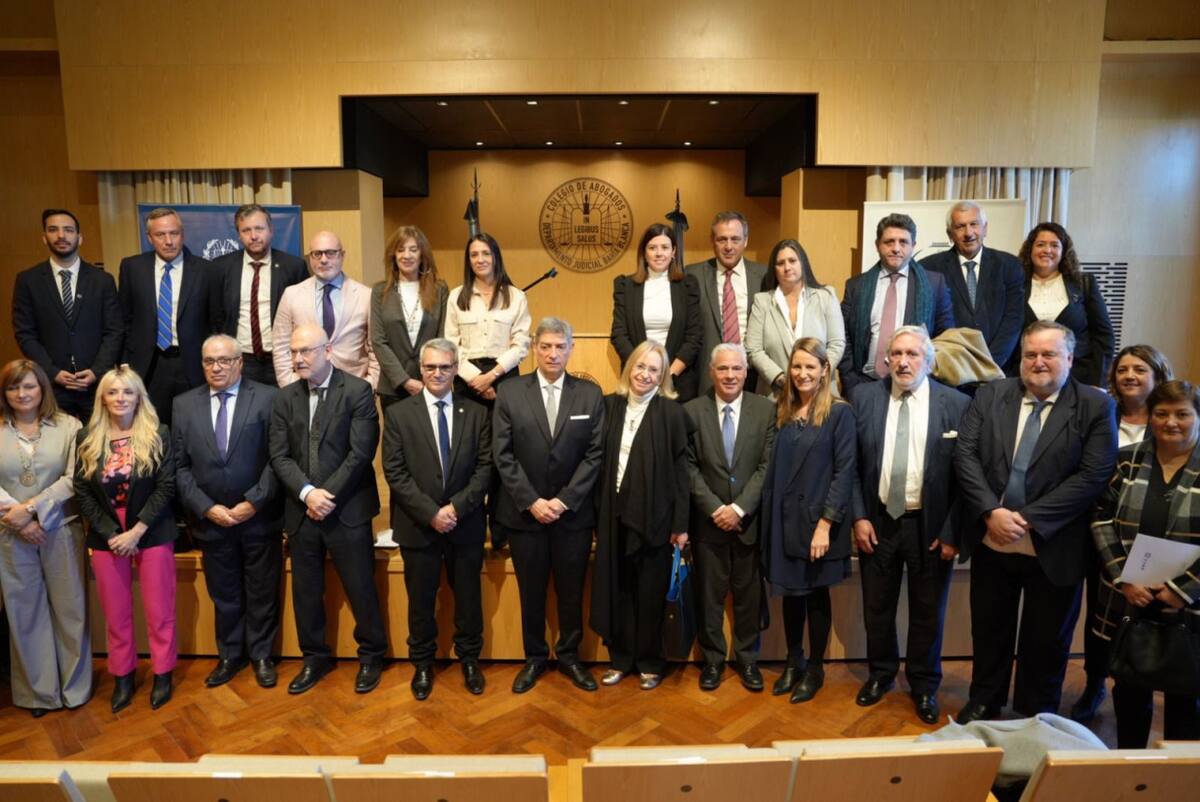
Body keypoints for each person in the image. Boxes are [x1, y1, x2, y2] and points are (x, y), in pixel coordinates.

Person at [954, 320, 1117, 722]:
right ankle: (985, 701)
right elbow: (965, 457)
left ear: (1069, 357)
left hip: (1054, 544)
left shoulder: (1095, 405)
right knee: (990, 631)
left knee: (1046, 640)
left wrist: (1025, 519)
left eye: (1048, 354)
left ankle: (1035, 713)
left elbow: (1093, 475)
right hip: (993, 538)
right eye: (1031, 354)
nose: (1038, 362)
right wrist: (992, 512)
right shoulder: (991, 394)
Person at [849, 326, 970, 724]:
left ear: (929, 361)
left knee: (927, 611)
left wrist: (953, 531)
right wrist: (859, 515)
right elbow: (849, 465)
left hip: (930, 526)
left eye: (912, 354)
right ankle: (881, 674)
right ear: (886, 360)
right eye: (896, 354)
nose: (902, 361)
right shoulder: (864, 397)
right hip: (879, 521)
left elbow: (966, 475)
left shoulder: (956, 404)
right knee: (876, 608)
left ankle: (923, 684)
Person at [269, 324, 386, 695]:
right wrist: (307, 494)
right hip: (302, 512)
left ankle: (371, 656)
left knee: (361, 588)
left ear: (329, 350)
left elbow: (361, 453)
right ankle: (314, 658)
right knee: (306, 592)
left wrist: (325, 495)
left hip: (347, 509)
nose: (299, 358)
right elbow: (279, 455)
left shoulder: (358, 391)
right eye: (294, 352)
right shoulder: (284, 398)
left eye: (306, 351)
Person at [493, 317, 605, 693]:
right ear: (535, 349)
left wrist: (563, 501)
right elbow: (502, 455)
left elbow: (595, 455)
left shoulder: (589, 395)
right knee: (532, 591)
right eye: (546, 346)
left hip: (572, 516)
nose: (553, 353)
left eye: (560, 346)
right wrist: (532, 501)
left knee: (572, 591)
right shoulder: (510, 392)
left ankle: (570, 657)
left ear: (571, 349)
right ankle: (534, 658)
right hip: (526, 516)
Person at [1091, 379, 1200, 747]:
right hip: (1131, 597)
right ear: (1150, 416)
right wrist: (1123, 576)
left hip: (1190, 605)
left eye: (1183, 414)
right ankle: (1131, 766)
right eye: (1162, 413)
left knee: (1188, 699)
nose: (1171, 422)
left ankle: (1180, 777)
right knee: (1129, 690)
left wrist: (1182, 590)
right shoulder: (1128, 458)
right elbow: (1101, 518)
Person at [382, 338, 491, 700]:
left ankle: (470, 660)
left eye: (445, 367)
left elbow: (485, 468)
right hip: (419, 527)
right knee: (421, 601)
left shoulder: (476, 413)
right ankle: (423, 664)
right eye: (430, 367)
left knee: (469, 600)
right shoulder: (399, 414)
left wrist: (456, 508)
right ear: (421, 370)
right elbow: (394, 472)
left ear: (456, 368)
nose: (438, 373)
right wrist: (431, 513)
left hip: (466, 523)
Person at [171, 335, 282, 689]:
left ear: (239, 362)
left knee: (262, 590)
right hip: (212, 520)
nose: (216, 367)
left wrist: (255, 501)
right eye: (209, 361)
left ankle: (262, 655)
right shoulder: (183, 405)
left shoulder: (268, 397)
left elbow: (278, 458)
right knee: (225, 593)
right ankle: (230, 655)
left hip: (258, 516)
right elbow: (179, 467)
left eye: (223, 360)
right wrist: (207, 508)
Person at [1071, 343, 1174, 723]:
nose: (1129, 376)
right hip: (1098, 532)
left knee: (1149, 612)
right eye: (1123, 369)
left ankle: (1153, 680)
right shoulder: (1101, 413)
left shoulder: (1169, 419)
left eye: (1140, 369)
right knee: (1100, 615)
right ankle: (1095, 683)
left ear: (1158, 375)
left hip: (1150, 541)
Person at [74, 365, 178, 712]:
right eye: (113, 392)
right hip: (108, 538)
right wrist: (111, 533)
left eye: (128, 392)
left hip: (150, 533)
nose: (120, 398)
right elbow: (82, 491)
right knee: (116, 614)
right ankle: (123, 676)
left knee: (159, 611)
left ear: (139, 397)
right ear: (102, 398)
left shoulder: (159, 432)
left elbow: (166, 487)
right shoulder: (87, 438)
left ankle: (163, 673)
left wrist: (136, 531)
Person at [591, 340, 690, 690]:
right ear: (629, 367)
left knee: (649, 592)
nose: (645, 375)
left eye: (653, 370)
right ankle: (620, 659)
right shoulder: (608, 406)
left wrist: (680, 525)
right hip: (612, 515)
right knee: (618, 589)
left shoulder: (673, 414)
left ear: (662, 376)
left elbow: (682, 473)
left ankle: (649, 661)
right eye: (640, 366)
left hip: (656, 519)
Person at [761, 338, 856, 703]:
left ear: (824, 371)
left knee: (816, 597)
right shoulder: (781, 410)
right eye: (796, 366)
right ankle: (793, 661)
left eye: (810, 367)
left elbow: (845, 473)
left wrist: (825, 525)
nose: (802, 374)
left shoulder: (839, 413)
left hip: (818, 525)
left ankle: (815, 667)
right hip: (784, 522)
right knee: (789, 596)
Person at [0, 360, 90, 717]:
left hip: (61, 529)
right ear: (5, 394)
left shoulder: (69, 426)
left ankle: (74, 689)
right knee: (26, 613)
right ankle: (40, 693)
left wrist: (35, 509)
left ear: (42, 389)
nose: (22, 394)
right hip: (10, 533)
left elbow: (75, 478)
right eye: (13, 388)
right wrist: (19, 520)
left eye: (29, 386)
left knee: (71, 610)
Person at [683, 343, 775, 691]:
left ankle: (748, 660)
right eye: (723, 369)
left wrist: (738, 508)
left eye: (736, 369)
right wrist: (715, 508)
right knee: (709, 597)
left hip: (748, 523)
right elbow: (688, 467)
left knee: (749, 598)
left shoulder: (764, 411)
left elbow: (767, 465)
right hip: (708, 524)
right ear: (711, 372)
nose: (730, 375)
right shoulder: (692, 411)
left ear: (746, 372)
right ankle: (712, 661)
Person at [12, 209, 123, 419]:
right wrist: (53, 372)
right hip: (52, 385)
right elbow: (25, 334)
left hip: (96, 385)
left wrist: (96, 371)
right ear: (44, 238)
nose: (61, 236)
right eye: (53, 230)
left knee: (96, 446)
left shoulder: (102, 280)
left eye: (68, 230)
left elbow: (114, 331)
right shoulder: (28, 281)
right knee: (58, 448)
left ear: (79, 238)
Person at [117, 207, 221, 426]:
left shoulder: (206, 270)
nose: (168, 241)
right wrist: (124, 361)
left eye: (174, 233)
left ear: (182, 234)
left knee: (195, 426)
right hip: (149, 364)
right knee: (151, 428)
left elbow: (216, 322)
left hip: (192, 364)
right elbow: (124, 318)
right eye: (160, 235)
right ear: (149, 238)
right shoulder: (132, 267)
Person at [838, 213, 955, 398]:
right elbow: (843, 336)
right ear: (877, 245)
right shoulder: (856, 286)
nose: (896, 248)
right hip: (864, 384)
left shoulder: (934, 284)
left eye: (903, 242)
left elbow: (946, 337)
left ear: (913, 246)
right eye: (889, 242)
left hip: (916, 385)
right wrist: (852, 382)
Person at [920, 201, 1025, 371]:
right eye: (960, 227)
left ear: (985, 228)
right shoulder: (929, 269)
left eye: (974, 224)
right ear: (950, 234)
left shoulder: (1009, 266)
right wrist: (956, 363)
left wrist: (990, 364)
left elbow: (1013, 320)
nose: (968, 233)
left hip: (1000, 369)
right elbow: (930, 322)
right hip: (950, 369)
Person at [213, 204, 309, 386]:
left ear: (271, 230)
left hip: (282, 360)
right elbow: (215, 316)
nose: (254, 236)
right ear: (238, 234)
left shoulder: (293, 267)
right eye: (246, 230)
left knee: (284, 412)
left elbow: (304, 315)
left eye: (259, 228)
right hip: (240, 361)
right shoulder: (221, 268)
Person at [1010, 222, 1114, 387]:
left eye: (1054, 245)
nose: (1047, 250)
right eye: (1040, 244)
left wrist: (1099, 383)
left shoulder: (1083, 283)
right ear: (1030, 250)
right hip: (1026, 377)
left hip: (1078, 377)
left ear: (1063, 251)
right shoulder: (1015, 285)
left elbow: (1104, 335)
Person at [272, 231, 379, 389]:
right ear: (310, 258)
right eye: (317, 254)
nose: (323, 260)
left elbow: (375, 347)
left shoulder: (366, 295)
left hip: (353, 388)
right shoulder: (291, 294)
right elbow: (280, 345)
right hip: (304, 387)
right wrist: (289, 384)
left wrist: (370, 385)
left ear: (342, 255)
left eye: (330, 253)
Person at [611, 224, 704, 402]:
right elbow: (619, 334)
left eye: (665, 247)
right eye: (652, 248)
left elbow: (694, 336)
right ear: (644, 253)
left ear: (673, 251)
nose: (659, 253)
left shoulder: (687, 285)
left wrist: (667, 374)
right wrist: (642, 370)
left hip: (678, 380)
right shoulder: (625, 286)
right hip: (637, 380)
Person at [745, 238, 845, 396]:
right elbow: (753, 349)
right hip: (776, 394)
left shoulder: (826, 296)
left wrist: (817, 376)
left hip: (821, 393)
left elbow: (837, 344)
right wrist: (781, 379)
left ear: (802, 263)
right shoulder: (762, 301)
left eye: (792, 260)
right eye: (780, 263)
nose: (787, 267)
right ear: (774, 269)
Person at [684, 211, 768, 395]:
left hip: (754, 376)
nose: (728, 246)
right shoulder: (692, 276)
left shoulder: (765, 276)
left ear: (746, 241)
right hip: (708, 378)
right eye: (722, 239)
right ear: (712, 241)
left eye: (735, 239)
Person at [444, 232, 531, 406]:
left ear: (496, 257)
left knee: (503, 432)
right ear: (468, 261)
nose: (480, 259)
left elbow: (521, 345)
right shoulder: (456, 296)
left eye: (486, 253)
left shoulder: (516, 297)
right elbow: (451, 345)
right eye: (473, 255)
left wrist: (491, 376)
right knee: (468, 432)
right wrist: (476, 378)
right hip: (467, 379)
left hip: (505, 376)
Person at [372, 225, 449, 411]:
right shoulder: (380, 291)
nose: (407, 255)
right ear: (393, 255)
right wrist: (404, 380)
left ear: (422, 254)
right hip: (393, 387)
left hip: (432, 384)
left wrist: (430, 376)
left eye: (413, 250)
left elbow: (442, 338)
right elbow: (378, 340)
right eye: (401, 250)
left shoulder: (439, 290)